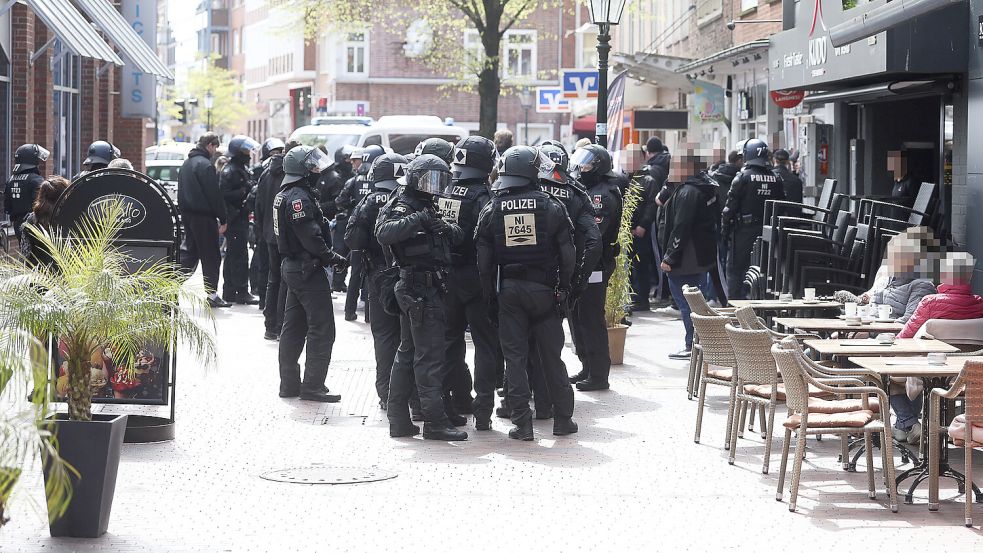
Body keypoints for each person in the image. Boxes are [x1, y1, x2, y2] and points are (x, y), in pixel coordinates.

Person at [476, 145, 578, 440]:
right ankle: (562, 420)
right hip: (545, 292)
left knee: (515, 359)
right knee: (552, 358)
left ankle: (522, 424)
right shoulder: (551, 206)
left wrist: (490, 297)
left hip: (508, 293)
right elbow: (568, 254)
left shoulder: (492, 208)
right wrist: (565, 288)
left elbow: (483, 263)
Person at [376, 154, 468, 441]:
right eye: (430, 179)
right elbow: (384, 233)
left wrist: (444, 228)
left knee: (408, 355)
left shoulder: (426, 204)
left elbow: (456, 236)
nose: (435, 186)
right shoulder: (405, 204)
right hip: (418, 290)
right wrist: (418, 219)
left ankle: (399, 420)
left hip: (423, 288)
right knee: (429, 358)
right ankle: (434, 422)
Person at [273, 145, 349, 402]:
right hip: (307, 269)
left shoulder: (288, 194)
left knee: (293, 328)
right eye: (312, 165)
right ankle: (313, 386)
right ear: (302, 170)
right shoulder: (298, 198)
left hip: (294, 268)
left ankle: (290, 385)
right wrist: (333, 257)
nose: (317, 169)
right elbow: (311, 237)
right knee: (322, 328)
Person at [440, 136, 501, 427]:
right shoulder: (483, 197)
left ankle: (458, 399)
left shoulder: (445, 189)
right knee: (486, 344)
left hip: (446, 277)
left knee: (450, 341)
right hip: (476, 278)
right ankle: (483, 412)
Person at [345, 153, 407, 408]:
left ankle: (386, 394)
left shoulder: (368, 203)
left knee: (383, 336)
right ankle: (408, 394)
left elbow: (352, 240)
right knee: (408, 337)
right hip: (405, 275)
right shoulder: (406, 200)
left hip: (378, 276)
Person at [567, 144, 623, 391]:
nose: (582, 167)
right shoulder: (588, 188)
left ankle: (599, 374)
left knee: (591, 318)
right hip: (583, 263)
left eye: (587, 163)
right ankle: (587, 366)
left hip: (594, 265)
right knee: (578, 318)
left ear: (599, 165)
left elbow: (594, 236)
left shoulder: (602, 194)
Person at [658, 145, 721, 360]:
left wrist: (670, 257)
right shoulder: (699, 187)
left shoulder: (689, 192)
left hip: (687, 257)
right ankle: (696, 344)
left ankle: (692, 345)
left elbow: (681, 227)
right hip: (697, 254)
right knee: (694, 303)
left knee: (688, 305)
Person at [722, 139, 784, 300]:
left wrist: (724, 234)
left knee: (736, 271)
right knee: (764, 271)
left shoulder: (742, 178)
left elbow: (729, 210)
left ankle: (736, 308)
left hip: (744, 232)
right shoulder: (776, 178)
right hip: (768, 233)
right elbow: (783, 206)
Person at [178, 133, 230, 308]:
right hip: (204, 217)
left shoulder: (186, 164)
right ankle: (212, 294)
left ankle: (168, 286)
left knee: (189, 254)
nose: (215, 151)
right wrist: (223, 218)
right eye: (215, 147)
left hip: (188, 215)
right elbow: (214, 195)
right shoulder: (205, 165)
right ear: (210, 145)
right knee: (211, 256)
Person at [337, 144, 385, 319]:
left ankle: (349, 312)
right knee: (370, 274)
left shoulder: (353, 181)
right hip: (376, 235)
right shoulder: (379, 182)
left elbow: (340, 200)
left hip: (357, 231)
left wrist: (352, 206)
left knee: (355, 273)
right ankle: (369, 314)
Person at [255, 140, 294, 340]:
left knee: (273, 279)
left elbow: (258, 206)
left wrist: (260, 232)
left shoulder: (265, 174)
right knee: (284, 281)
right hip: (284, 234)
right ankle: (278, 326)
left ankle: (270, 326)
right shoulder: (290, 175)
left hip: (269, 233)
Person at [898, 252, 983, 339]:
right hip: (973, 352)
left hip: (931, 352)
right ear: (970, 275)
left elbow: (905, 336)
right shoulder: (980, 304)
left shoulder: (929, 303)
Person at [219, 135, 261, 305]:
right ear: (237, 152)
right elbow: (224, 194)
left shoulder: (239, 168)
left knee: (233, 255)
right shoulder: (231, 171)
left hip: (239, 217)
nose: (248, 154)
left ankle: (230, 291)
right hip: (235, 218)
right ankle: (241, 291)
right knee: (239, 256)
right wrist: (245, 191)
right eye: (245, 151)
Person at [631, 138, 668, 311]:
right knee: (633, 266)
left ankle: (643, 298)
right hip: (631, 230)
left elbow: (652, 204)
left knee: (642, 264)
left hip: (643, 230)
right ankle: (635, 297)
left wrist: (643, 225)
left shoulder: (648, 177)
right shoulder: (628, 178)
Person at [249, 138, 285, 308]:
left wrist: (259, 226)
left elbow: (258, 205)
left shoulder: (264, 174)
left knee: (267, 269)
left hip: (266, 228)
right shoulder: (284, 174)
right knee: (274, 271)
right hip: (277, 229)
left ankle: (265, 303)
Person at [19, 176, 69, 269]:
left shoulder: (32, 219)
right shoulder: (69, 217)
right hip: (67, 276)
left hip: (38, 276)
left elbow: (24, 254)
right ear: (63, 195)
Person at [5, 144, 49, 242]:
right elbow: (41, 206)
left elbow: (7, 208)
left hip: (17, 226)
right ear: (33, 160)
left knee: (25, 252)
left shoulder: (10, 180)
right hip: (34, 226)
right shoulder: (36, 180)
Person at [709, 151, 741, 271]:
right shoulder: (741, 178)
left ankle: (719, 288)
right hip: (737, 226)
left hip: (716, 223)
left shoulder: (713, 178)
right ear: (739, 161)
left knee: (718, 261)